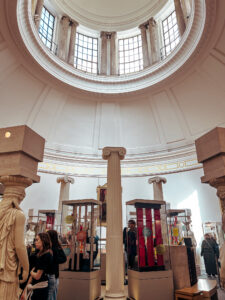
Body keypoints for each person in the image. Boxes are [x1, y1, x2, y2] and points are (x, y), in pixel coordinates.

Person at [21, 233, 53, 300]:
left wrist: (31, 272)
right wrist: (25, 290)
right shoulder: (39, 254)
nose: (35, 242)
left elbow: (37, 276)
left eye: (37, 240)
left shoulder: (46, 255)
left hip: (40, 289)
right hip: (37, 287)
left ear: (43, 241)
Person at [47, 230, 67, 300]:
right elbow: (64, 258)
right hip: (56, 273)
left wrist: (53, 260)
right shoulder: (58, 246)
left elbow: (63, 258)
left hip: (51, 273)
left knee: (50, 294)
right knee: (54, 293)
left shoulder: (49, 247)